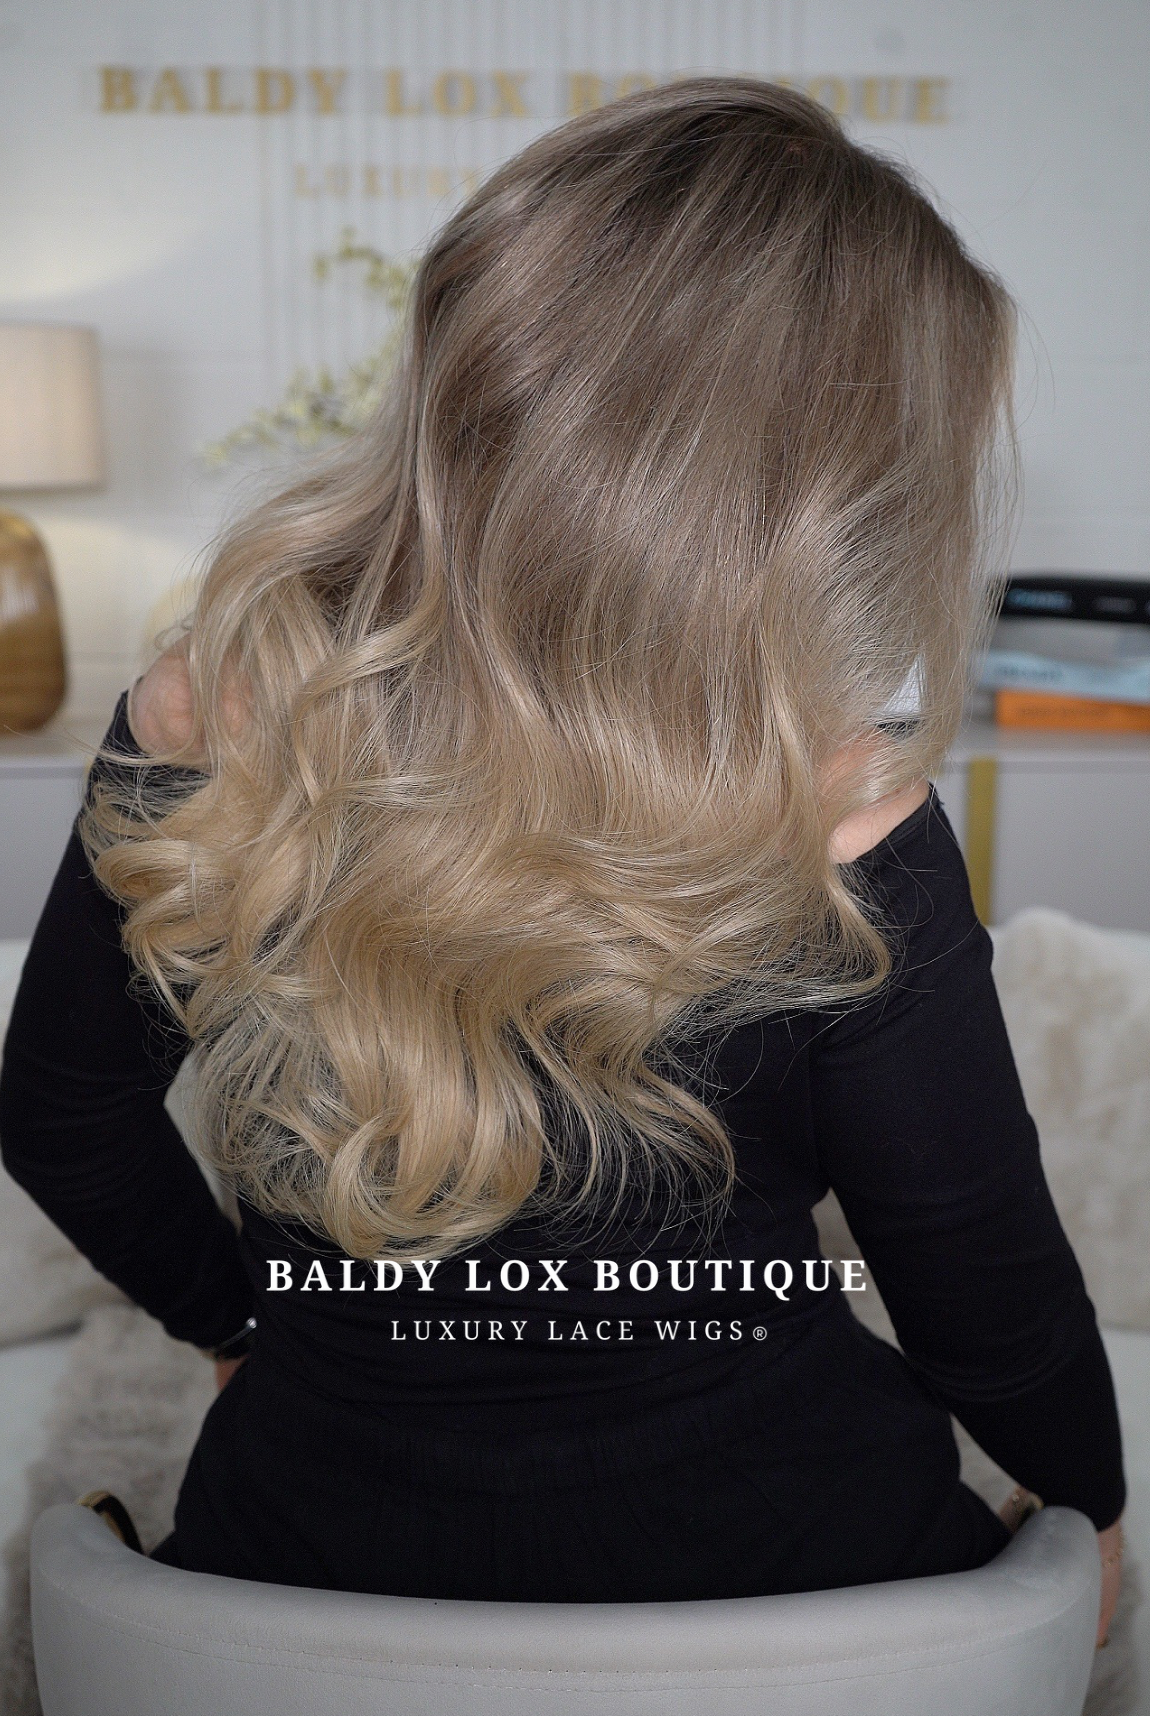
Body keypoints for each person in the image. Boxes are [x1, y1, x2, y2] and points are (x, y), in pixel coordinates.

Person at [0, 76, 1124, 1644]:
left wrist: (242, 1325)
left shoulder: (225, 707)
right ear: (825, 493)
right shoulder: (842, 800)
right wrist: (1089, 1514)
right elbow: (978, 1284)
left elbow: (61, 1114)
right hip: (814, 1593)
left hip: (300, 1575)